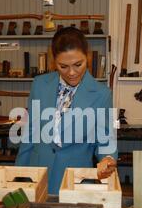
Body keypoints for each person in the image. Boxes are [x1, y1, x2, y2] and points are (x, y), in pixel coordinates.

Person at [15, 27, 118, 195]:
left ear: (88, 57)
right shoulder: (40, 85)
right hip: (37, 175)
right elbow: (30, 134)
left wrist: (108, 159)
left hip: (77, 179)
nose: (71, 73)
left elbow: (105, 139)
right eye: (63, 66)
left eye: (78, 64)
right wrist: (18, 176)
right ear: (53, 62)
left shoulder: (101, 94)